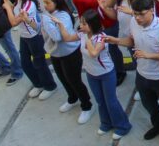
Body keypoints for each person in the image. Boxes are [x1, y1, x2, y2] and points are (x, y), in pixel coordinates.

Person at [106, 0, 159, 145]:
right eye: (135, 13)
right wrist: (116, 41)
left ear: (152, 10)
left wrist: (148, 55)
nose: (138, 18)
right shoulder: (134, 22)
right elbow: (132, 41)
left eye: (141, 14)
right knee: (149, 105)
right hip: (142, 74)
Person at [54, 8, 132, 140]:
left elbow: (94, 53)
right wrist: (60, 25)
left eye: (84, 24)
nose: (81, 26)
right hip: (92, 74)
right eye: (81, 23)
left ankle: (123, 126)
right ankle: (106, 123)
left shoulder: (101, 38)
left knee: (111, 101)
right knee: (100, 101)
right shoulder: (82, 34)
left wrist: (88, 41)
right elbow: (67, 38)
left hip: (106, 74)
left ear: (92, 25)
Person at [40, 0, 94, 124]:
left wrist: (45, 20)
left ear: (57, 2)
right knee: (62, 78)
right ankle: (72, 98)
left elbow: (57, 37)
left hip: (70, 53)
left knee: (74, 80)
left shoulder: (63, 15)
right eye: (44, 2)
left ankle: (87, 105)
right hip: (56, 54)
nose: (45, 6)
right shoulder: (48, 15)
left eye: (48, 3)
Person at [1, 0, 58, 99]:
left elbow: (13, 22)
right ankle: (38, 84)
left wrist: (6, 8)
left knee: (39, 63)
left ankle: (50, 86)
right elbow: (13, 9)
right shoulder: (19, 1)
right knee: (25, 63)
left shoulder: (28, 5)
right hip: (24, 36)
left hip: (34, 38)